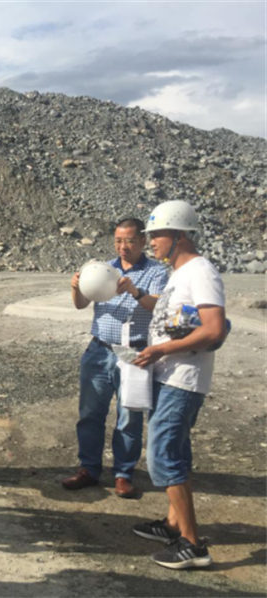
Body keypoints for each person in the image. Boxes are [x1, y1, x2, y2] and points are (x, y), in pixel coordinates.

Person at [131, 200, 226, 569]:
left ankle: (192, 544)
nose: (151, 241)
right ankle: (173, 525)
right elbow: (180, 319)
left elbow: (214, 329)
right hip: (168, 376)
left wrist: (162, 349)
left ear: (180, 235)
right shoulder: (179, 273)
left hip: (182, 381)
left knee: (164, 455)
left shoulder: (201, 272)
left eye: (157, 234)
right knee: (176, 452)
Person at [62, 219, 168, 498]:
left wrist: (135, 291)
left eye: (129, 241)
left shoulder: (156, 271)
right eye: (118, 241)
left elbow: (159, 306)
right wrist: (75, 286)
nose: (123, 246)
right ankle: (89, 469)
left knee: (129, 416)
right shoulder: (102, 269)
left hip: (133, 351)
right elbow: (81, 304)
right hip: (100, 349)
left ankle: (123, 474)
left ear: (142, 241)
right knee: (90, 414)